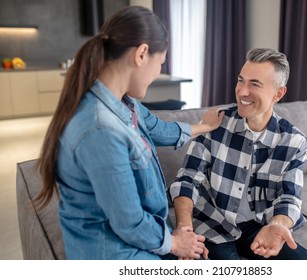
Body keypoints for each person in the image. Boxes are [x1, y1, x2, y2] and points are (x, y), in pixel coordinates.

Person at [34, 6, 223, 260]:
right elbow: (129, 223)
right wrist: (175, 244)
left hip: (137, 239)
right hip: (115, 253)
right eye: (160, 63)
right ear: (142, 54)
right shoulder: (100, 130)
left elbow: (157, 128)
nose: (157, 74)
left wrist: (202, 126)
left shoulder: (124, 102)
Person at [169, 48, 307, 260]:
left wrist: (278, 223)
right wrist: (185, 228)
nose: (242, 91)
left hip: (258, 225)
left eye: (254, 84)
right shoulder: (215, 123)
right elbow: (188, 179)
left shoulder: (294, 141)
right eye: (241, 80)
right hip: (212, 226)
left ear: (278, 94)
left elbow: (289, 197)